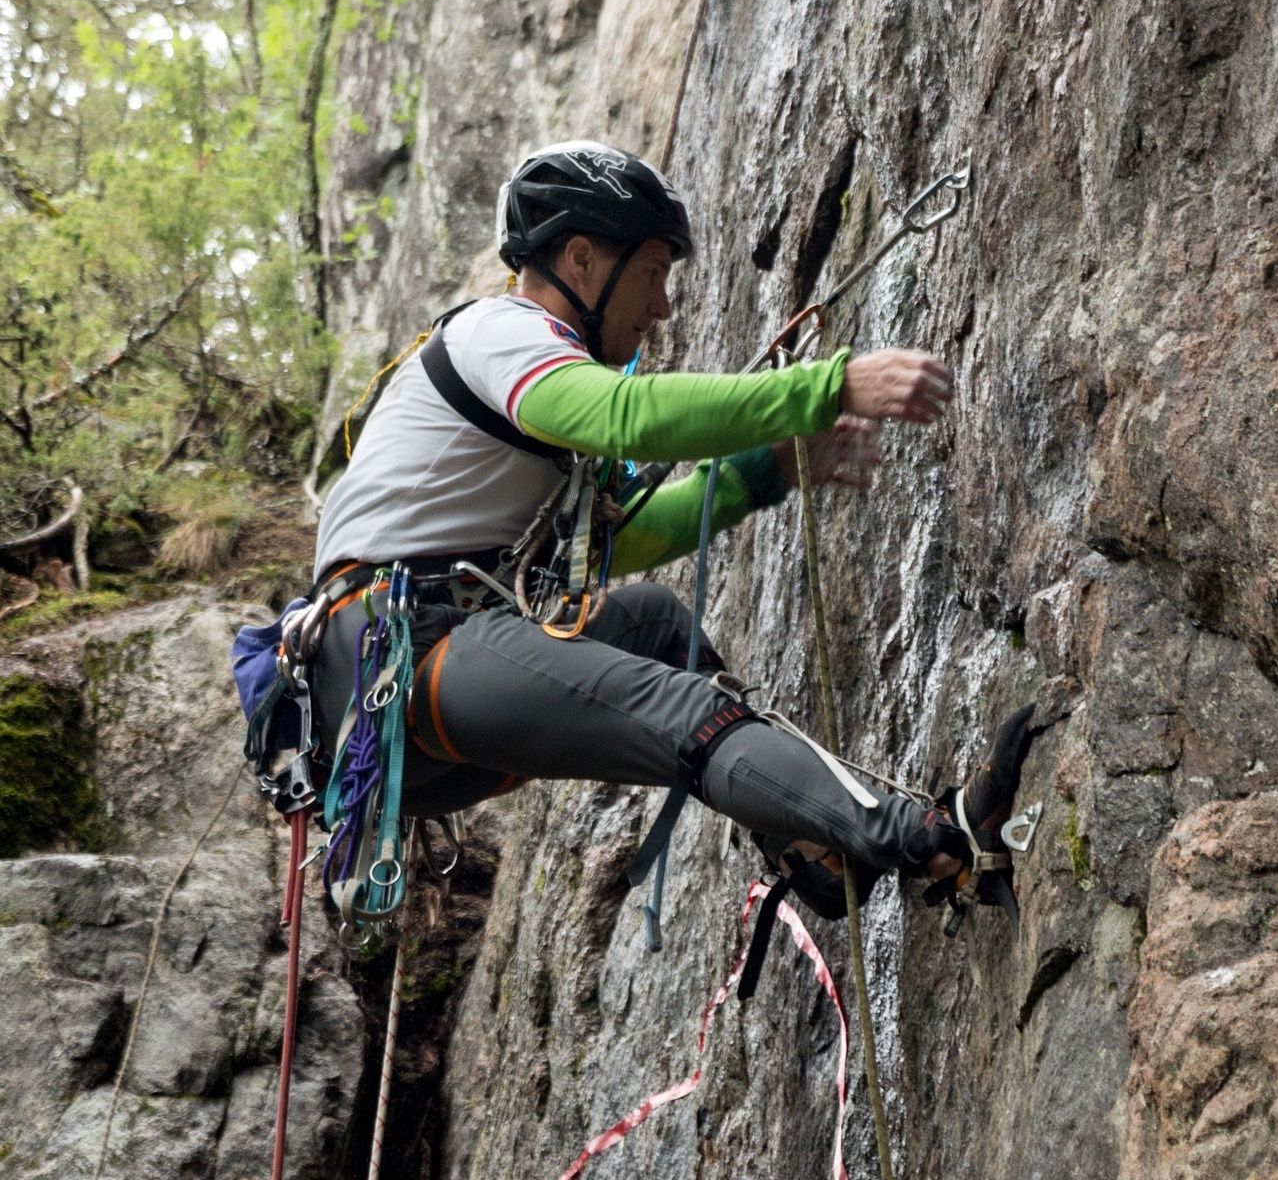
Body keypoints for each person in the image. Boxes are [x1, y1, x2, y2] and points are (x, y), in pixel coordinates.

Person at [309, 140, 1033, 927]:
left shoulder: (538, 387)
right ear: (581, 259)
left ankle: (813, 846)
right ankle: (933, 836)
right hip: (399, 653)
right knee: (690, 714)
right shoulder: (499, 331)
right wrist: (828, 387)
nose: (661, 306)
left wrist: (766, 473)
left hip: (410, 695)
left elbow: (623, 542)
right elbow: (628, 418)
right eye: (653, 272)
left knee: (655, 624)